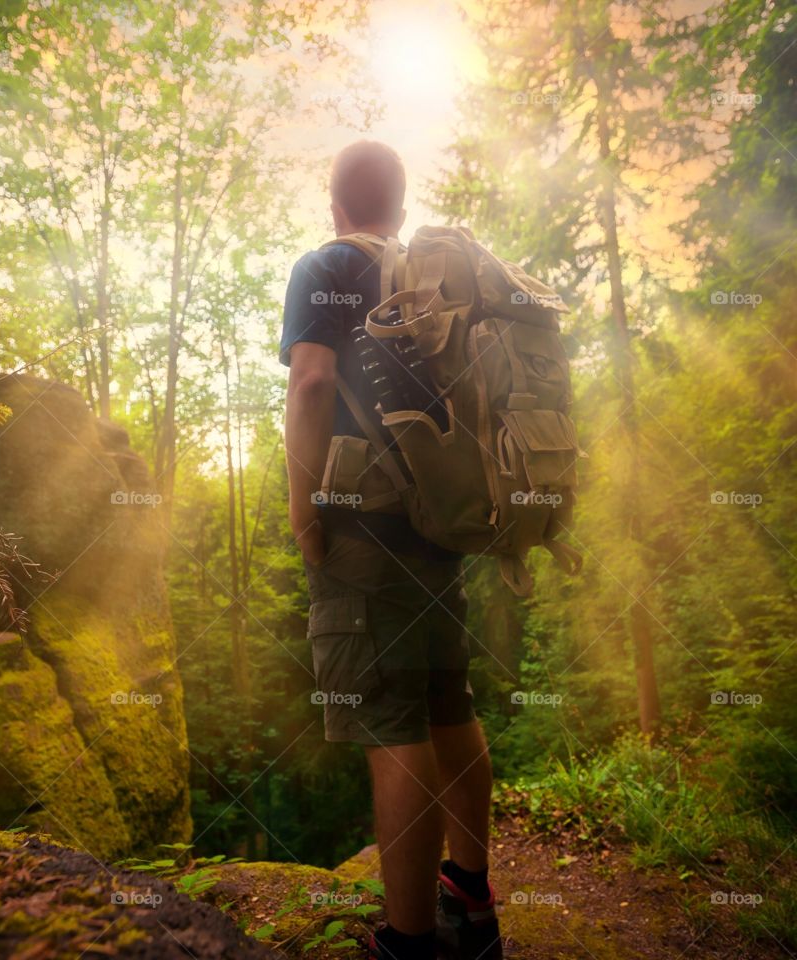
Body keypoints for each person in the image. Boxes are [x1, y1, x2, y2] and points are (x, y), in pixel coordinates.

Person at [280, 140, 503, 960]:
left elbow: (311, 382)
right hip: (439, 528)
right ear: (400, 210)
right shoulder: (433, 278)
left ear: (335, 204)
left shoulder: (326, 264)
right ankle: (471, 901)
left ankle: (410, 944)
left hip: (364, 530)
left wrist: (304, 511)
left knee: (391, 726)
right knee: (450, 706)